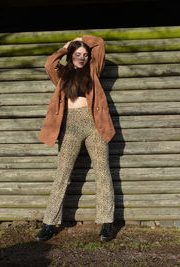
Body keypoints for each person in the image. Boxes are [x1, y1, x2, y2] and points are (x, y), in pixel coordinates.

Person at [36, 35, 116, 242]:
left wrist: (82, 38)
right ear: (71, 56)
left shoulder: (93, 71)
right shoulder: (62, 75)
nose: (81, 58)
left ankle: (107, 223)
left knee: (102, 171)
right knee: (62, 174)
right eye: (78, 54)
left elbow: (99, 43)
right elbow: (49, 64)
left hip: (94, 126)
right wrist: (64, 48)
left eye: (85, 55)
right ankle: (49, 223)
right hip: (70, 128)